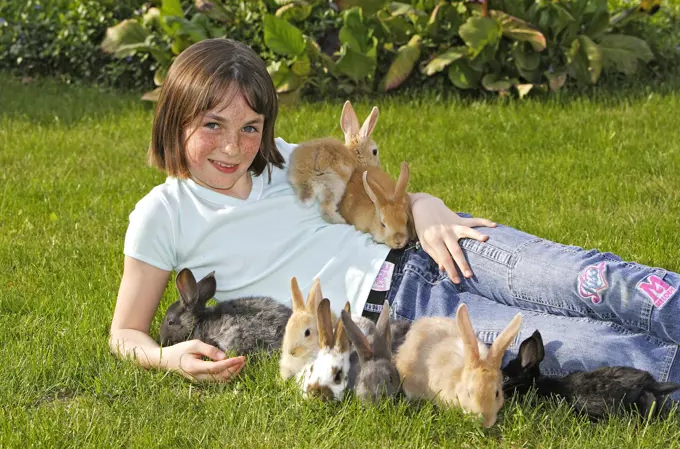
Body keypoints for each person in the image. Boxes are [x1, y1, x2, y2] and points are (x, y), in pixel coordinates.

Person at [109, 38, 680, 395]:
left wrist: (428, 208)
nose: (234, 147)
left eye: (250, 127)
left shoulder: (290, 163)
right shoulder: (163, 213)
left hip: (437, 250)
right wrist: (164, 355)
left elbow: (380, 199)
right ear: (174, 118)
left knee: (598, 282)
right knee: (581, 349)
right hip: (400, 318)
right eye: (213, 125)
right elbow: (124, 332)